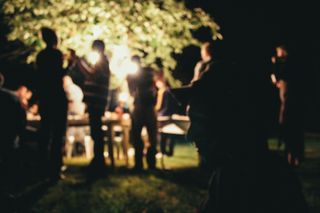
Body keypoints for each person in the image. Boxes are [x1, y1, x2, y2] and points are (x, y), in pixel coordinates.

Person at [35, 27, 68, 181]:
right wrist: (70, 65)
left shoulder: (40, 56)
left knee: (45, 133)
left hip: (45, 98)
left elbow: (41, 77)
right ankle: (55, 170)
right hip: (57, 98)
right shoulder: (56, 54)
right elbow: (58, 74)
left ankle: (42, 169)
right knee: (57, 135)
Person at [79, 40, 110, 176]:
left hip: (96, 103)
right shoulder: (102, 62)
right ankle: (98, 161)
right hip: (95, 103)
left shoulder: (103, 62)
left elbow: (90, 74)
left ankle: (99, 163)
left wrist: (79, 62)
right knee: (95, 132)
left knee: (96, 133)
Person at [129, 55, 158, 171]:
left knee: (150, 137)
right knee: (138, 137)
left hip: (146, 108)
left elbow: (151, 87)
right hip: (141, 107)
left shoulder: (147, 72)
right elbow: (132, 91)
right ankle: (140, 164)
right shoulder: (133, 75)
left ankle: (149, 164)